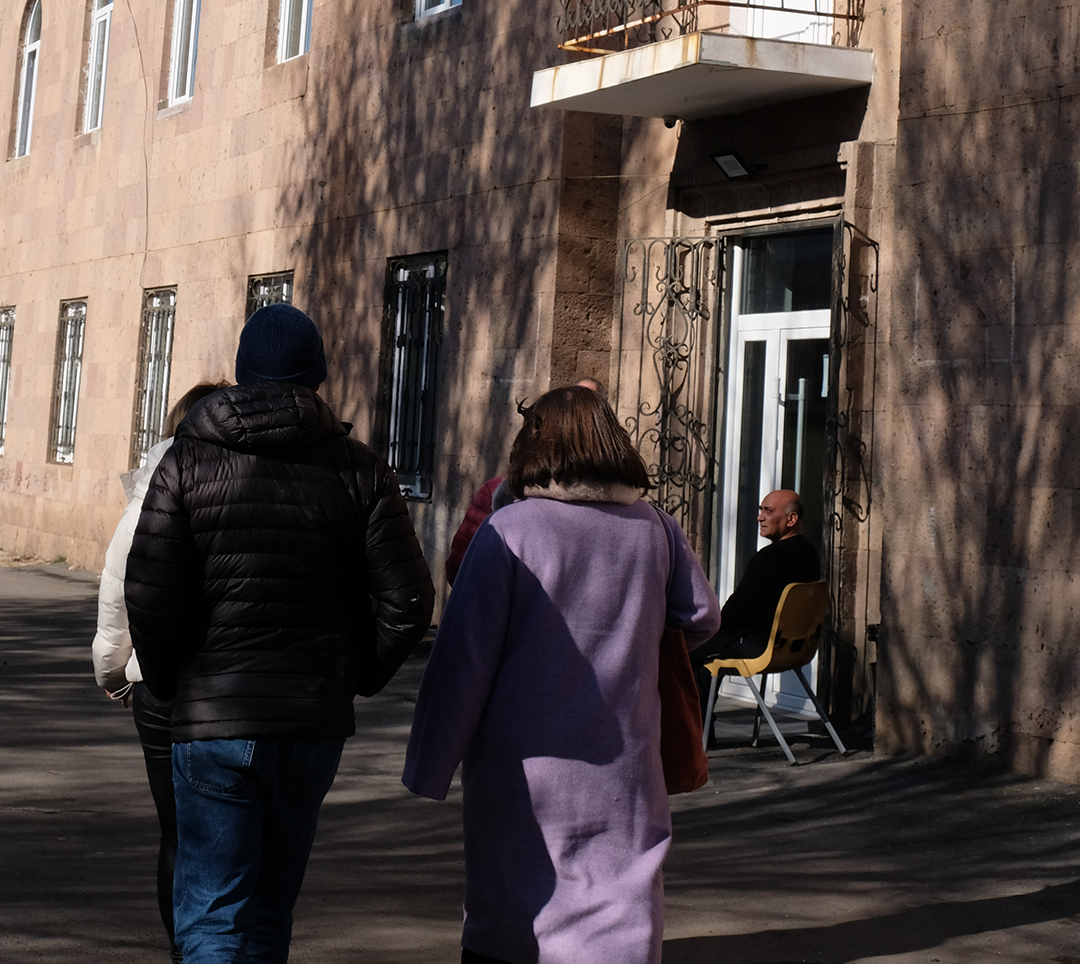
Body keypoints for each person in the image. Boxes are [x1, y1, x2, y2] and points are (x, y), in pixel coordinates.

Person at [124, 302, 435, 964]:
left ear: (241, 375)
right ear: (317, 377)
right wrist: (351, 678)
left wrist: (173, 682)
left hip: (212, 717)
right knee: (269, 913)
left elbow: (148, 588)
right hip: (309, 720)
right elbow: (407, 601)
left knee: (213, 915)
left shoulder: (185, 461)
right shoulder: (361, 470)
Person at [403, 384, 720, 964]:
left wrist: (431, 762)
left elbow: (464, 656)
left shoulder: (512, 529)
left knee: (518, 902)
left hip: (524, 766)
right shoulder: (655, 528)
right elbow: (701, 617)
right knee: (622, 895)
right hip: (625, 760)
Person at [92, 380, 223, 964]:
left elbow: (120, 581)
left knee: (177, 832)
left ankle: (184, 950)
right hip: (236, 683)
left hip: (158, 683)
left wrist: (112, 672)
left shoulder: (155, 480)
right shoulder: (254, 472)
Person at [445, 378, 608, 587]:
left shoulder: (640, 521)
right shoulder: (498, 496)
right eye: (573, 408)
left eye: (588, 406)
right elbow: (460, 568)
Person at [690, 489, 820, 686]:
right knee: (705, 653)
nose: (760, 517)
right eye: (761, 510)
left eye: (769, 511)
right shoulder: (810, 554)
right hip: (795, 650)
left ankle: (682, 707)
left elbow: (735, 611)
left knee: (687, 647)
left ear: (791, 519)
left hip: (757, 646)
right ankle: (698, 707)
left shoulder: (769, 558)